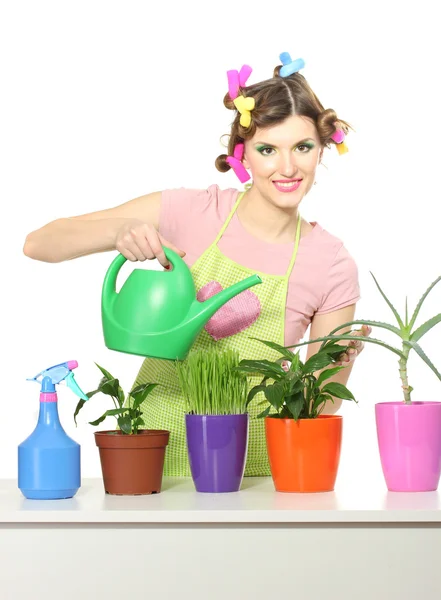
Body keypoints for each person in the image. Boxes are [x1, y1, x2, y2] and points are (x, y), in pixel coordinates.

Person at [23, 52, 371, 477]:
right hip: (153, 455)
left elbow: (316, 408)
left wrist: (339, 361)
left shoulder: (331, 263)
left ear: (323, 148)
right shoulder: (190, 212)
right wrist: (118, 231)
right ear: (243, 153)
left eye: (302, 147)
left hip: (255, 472)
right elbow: (39, 244)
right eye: (268, 149)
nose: (287, 167)